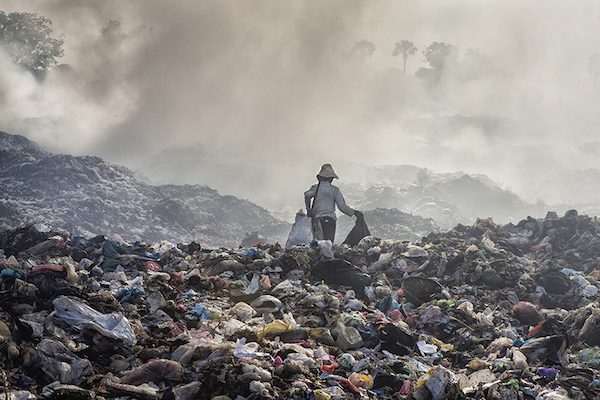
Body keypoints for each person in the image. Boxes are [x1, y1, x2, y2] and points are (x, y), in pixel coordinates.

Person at [304, 163, 361, 242]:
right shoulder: (334, 190)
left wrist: (308, 209)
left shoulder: (315, 188)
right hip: (331, 220)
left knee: (320, 245)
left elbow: (307, 195)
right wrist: (354, 212)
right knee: (329, 243)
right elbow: (342, 207)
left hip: (318, 219)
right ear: (331, 178)